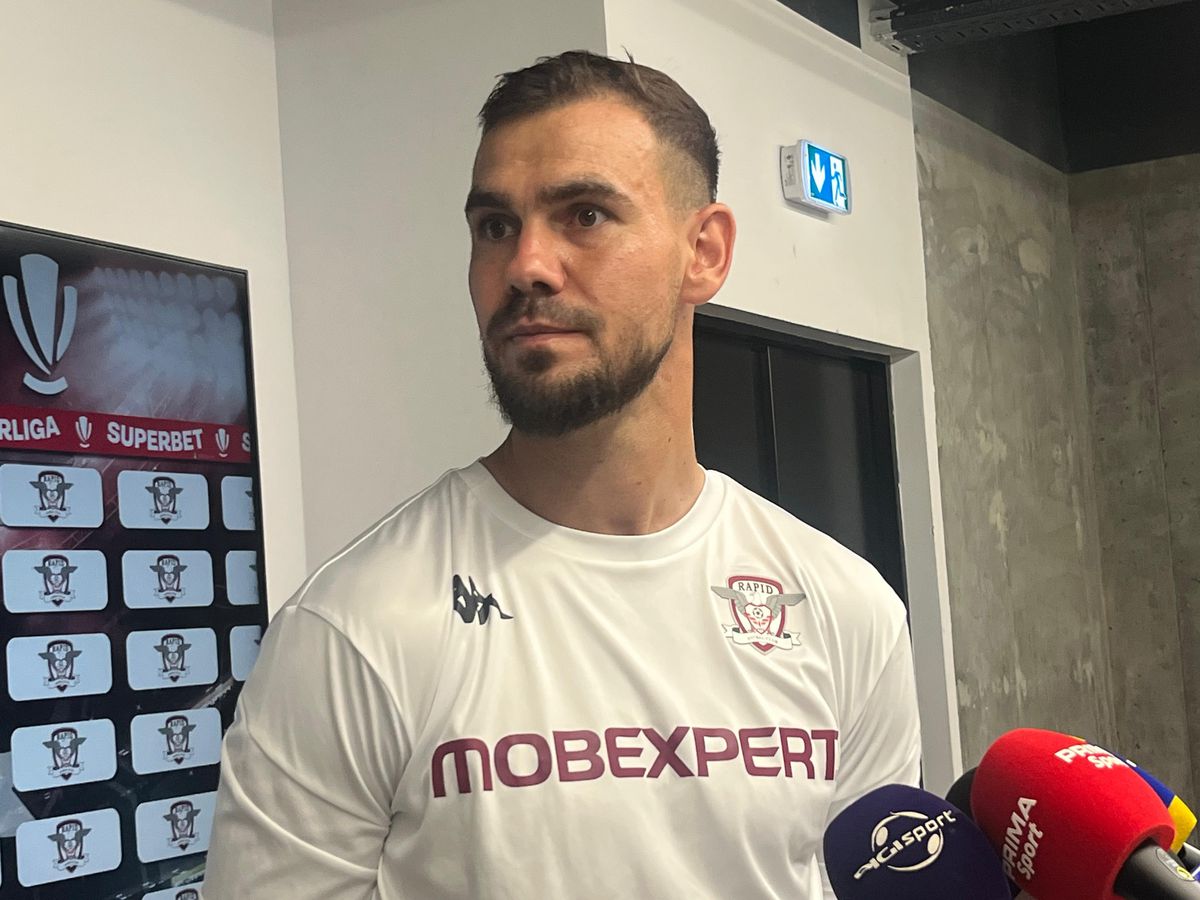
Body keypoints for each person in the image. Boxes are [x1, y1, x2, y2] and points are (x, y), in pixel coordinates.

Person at [204, 50, 921, 898]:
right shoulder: (352, 630)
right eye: (495, 226)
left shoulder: (845, 610)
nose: (526, 265)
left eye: (584, 215)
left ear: (703, 251)